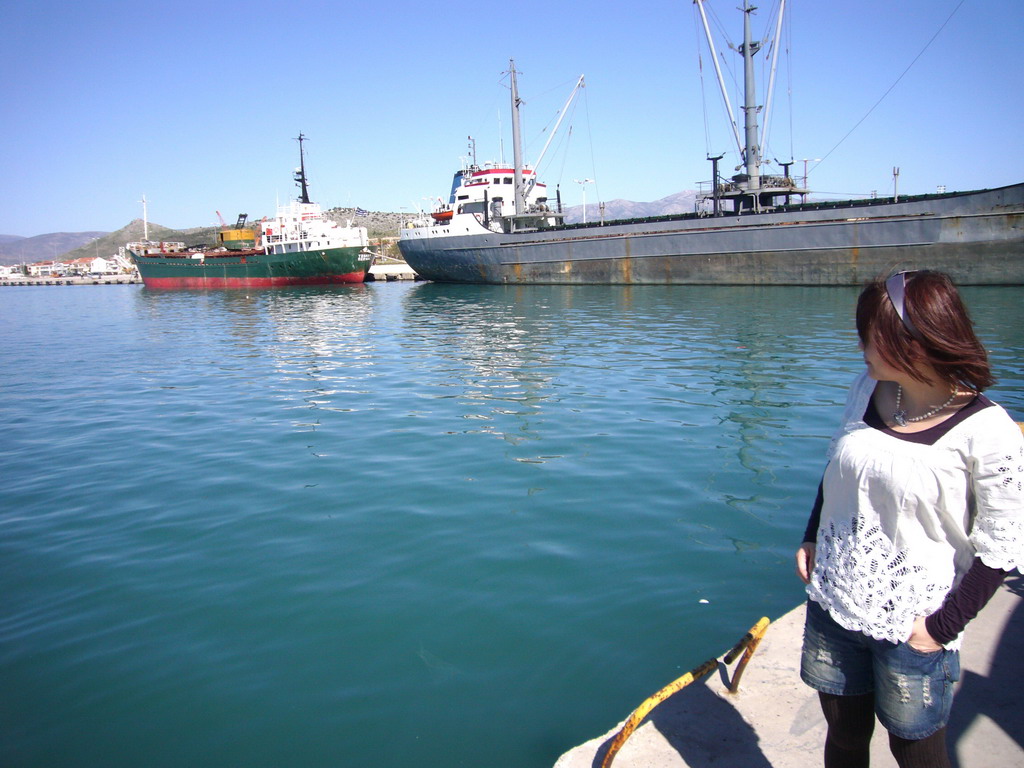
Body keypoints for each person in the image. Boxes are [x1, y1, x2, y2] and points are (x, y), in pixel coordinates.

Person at [795, 270, 1023, 768]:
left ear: (914, 343)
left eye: (869, 336)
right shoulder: (868, 389)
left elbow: (1002, 546)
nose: (859, 346)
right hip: (835, 601)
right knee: (846, 733)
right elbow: (839, 464)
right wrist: (813, 535)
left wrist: (938, 628)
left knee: (916, 751)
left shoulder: (989, 432)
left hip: (914, 620)